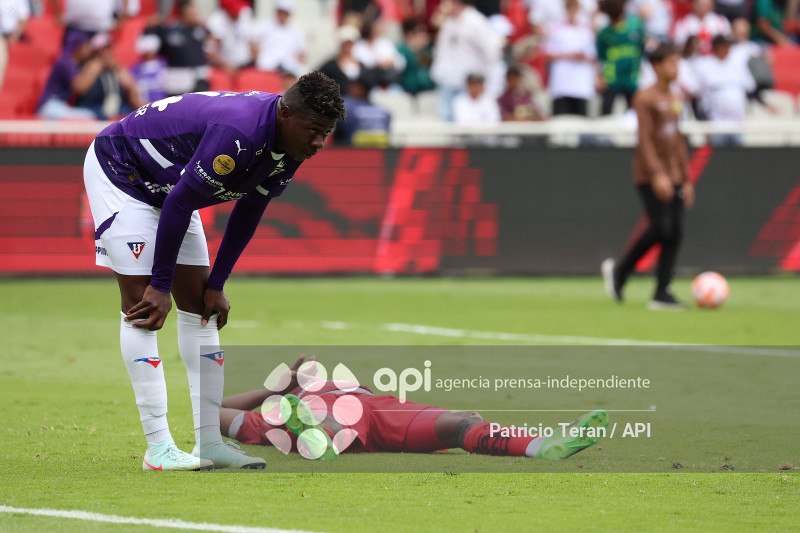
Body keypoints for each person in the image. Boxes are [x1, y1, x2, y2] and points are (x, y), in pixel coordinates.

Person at [82, 72, 346, 471]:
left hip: (173, 189)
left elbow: (250, 209)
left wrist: (217, 285)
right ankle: (159, 448)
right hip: (123, 171)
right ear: (286, 113)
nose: (318, 143)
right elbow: (178, 205)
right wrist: (160, 284)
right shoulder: (238, 132)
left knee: (202, 310)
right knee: (144, 308)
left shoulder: (290, 145)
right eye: (313, 131)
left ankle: (209, 442)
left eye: (325, 133)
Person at [221, 355, 610, 460]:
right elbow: (211, 408)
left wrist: (290, 385)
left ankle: (542, 445)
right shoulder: (268, 415)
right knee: (325, 418)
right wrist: (270, 391)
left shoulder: (341, 385)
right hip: (369, 419)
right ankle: (317, 432)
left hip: (380, 411)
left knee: (463, 422)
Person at [602, 43, 693, 311]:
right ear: (656, 66)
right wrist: (657, 174)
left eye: (678, 63)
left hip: (675, 174)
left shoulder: (676, 98)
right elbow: (644, 140)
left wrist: (685, 178)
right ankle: (621, 270)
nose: (676, 68)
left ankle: (661, 291)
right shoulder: (644, 98)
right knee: (662, 227)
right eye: (671, 63)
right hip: (649, 175)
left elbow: (677, 141)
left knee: (675, 232)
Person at [430, 0, 502, 121]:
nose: (443, 5)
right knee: (445, 121)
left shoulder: (476, 21)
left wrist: (479, 77)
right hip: (447, 81)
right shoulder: (449, 22)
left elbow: (491, 53)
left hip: (467, 84)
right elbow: (441, 51)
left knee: (465, 123)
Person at [693, 34, 754, 146]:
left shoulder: (738, 64)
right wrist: (703, 121)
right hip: (715, 126)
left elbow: (751, 88)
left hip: (738, 126)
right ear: (718, 46)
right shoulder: (704, 65)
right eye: (725, 45)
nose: (728, 48)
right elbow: (698, 96)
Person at [543, 0, 597, 117]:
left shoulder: (586, 30)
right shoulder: (555, 29)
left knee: (581, 121)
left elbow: (593, 55)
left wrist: (581, 56)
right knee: (561, 118)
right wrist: (567, 55)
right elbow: (547, 53)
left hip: (581, 84)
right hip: (562, 83)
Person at [74, 33, 146, 119]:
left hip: (119, 109)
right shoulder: (89, 67)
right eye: (102, 50)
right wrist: (96, 68)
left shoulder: (117, 68)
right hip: (94, 108)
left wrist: (119, 70)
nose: (106, 53)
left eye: (108, 49)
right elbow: (80, 89)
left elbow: (132, 91)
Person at [37, 30, 105, 120]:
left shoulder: (75, 63)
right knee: (89, 117)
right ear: (78, 46)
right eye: (86, 45)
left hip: (59, 106)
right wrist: (94, 69)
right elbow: (80, 87)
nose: (89, 49)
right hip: (50, 106)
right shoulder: (65, 61)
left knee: (90, 115)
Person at [596, 0, 645, 115]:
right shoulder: (604, 34)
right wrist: (601, 77)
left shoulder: (636, 26)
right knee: (606, 114)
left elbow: (643, 49)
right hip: (611, 81)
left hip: (631, 80)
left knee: (633, 115)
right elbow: (600, 58)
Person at [249, 0, 306, 75]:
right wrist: (256, 56)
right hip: (267, 67)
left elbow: (301, 53)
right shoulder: (265, 25)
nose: (283, 15)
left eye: (285, 13)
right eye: (281, 12)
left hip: (288, 69)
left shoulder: (295, 31)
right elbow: (252, 41)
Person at [336, 75, 391, 146]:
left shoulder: (347, 110)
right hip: (379, 154)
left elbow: (338, 139)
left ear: (360, 88)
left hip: (352, 153)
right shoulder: (384, 112)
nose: (349, 89)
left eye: (353, 87)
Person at [318, 25, 363, 96]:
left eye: (350, 44)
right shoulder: (330, 66)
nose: (347, 47)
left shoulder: (361, 65)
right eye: (345, 44)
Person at [396, 19, 436, 96]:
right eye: (420, 32)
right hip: (408, 92)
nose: (424, 35)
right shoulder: (402, 51)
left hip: (429, 91)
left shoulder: (429, 51)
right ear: (409, 34)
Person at [130, 34, 168, 104]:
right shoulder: (134, 70)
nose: (148, 54)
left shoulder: (165, 65)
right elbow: (132, 94)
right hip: (144, 108)